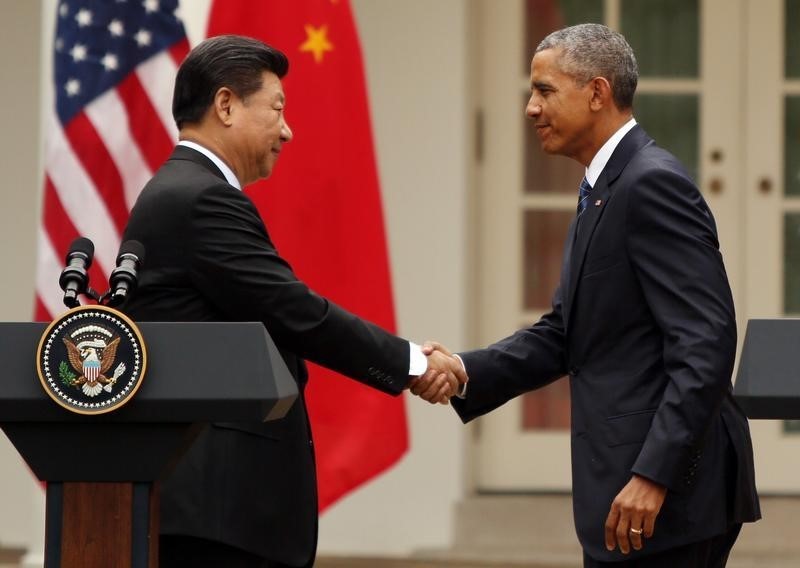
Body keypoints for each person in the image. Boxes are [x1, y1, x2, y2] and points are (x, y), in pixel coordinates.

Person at [421, 23, 760, 567]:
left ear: (598, 93)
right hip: (629, 497)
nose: (531, 108)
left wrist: (655, 473)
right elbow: (566, 331)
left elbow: (706, 342)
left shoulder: (650, 183)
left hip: (667, 498)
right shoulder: (602, 188)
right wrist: (465, 368)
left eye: (545, 90)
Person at [121, 34, 465, 568]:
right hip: (216, 519)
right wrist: (413, 363)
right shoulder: (201, 196)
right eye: (276, 109)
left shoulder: (182, 189)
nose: (287, 129)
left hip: (214, 514)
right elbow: (294, 311)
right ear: (226, 105)